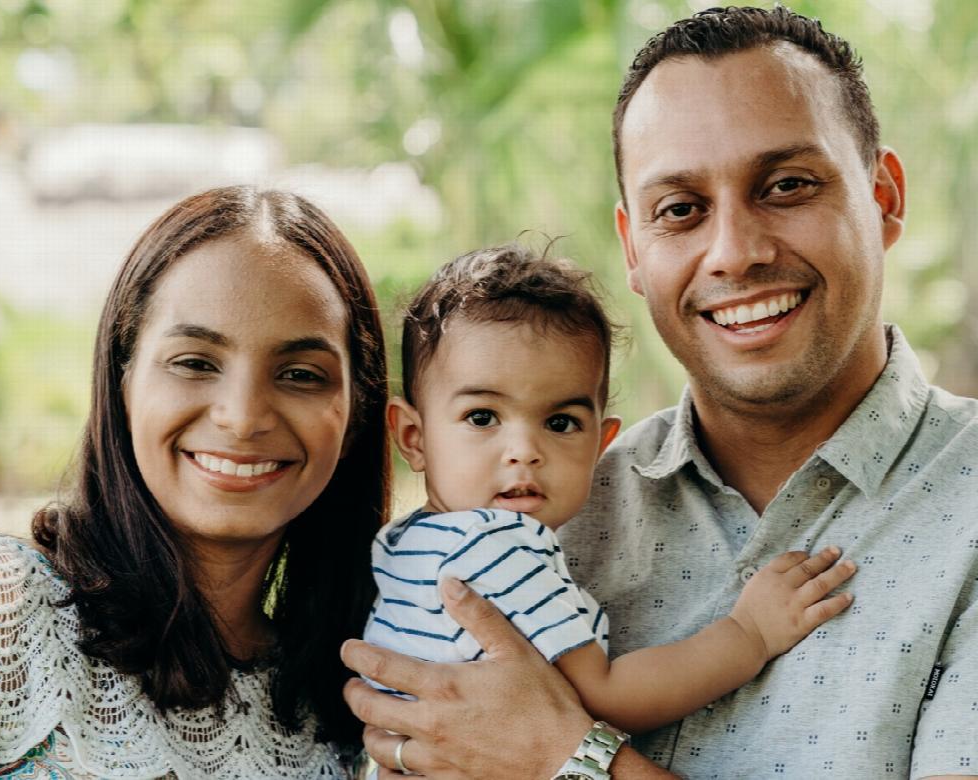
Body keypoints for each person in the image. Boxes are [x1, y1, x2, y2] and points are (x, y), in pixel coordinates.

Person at [341, 6, 978, 779]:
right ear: (634, 247)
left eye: (786, 186)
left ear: (883, 198)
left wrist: (565, 761)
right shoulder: (551, 507)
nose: (735, 252)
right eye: (680, 209)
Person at [0, 185, 390, 778]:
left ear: (357, 415)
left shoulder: (358, 711)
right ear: (122, 381)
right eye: (195, 362)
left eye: (300, 374)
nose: (243, 416)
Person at [363, 244, 855, 742]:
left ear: (602, 443)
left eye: (561, 423)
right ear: (413, 437)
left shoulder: (407, 542)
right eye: (482, 417)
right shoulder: (500, 547)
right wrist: (750, 633)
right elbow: (608, 697)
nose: (525, 450)